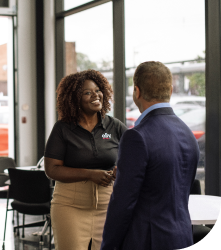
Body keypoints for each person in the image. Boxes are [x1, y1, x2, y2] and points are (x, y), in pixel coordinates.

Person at [100, 61, 199, 250]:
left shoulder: (137, 136)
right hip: (182, 236)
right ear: (170, 91)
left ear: (137, 91)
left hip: (146, 240)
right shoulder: (188, 133)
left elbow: (122, 203)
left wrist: (108, 245)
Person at [44, 70, 128, 250]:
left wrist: (118, 170)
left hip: (108, 204)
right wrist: (90, 174)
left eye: (98, 90)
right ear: (74, 99)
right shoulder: (62, 129)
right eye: (87, 92)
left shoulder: (115, 127)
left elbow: (133, 159)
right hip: (69, 204)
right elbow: (52, 169)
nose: (95, 95)